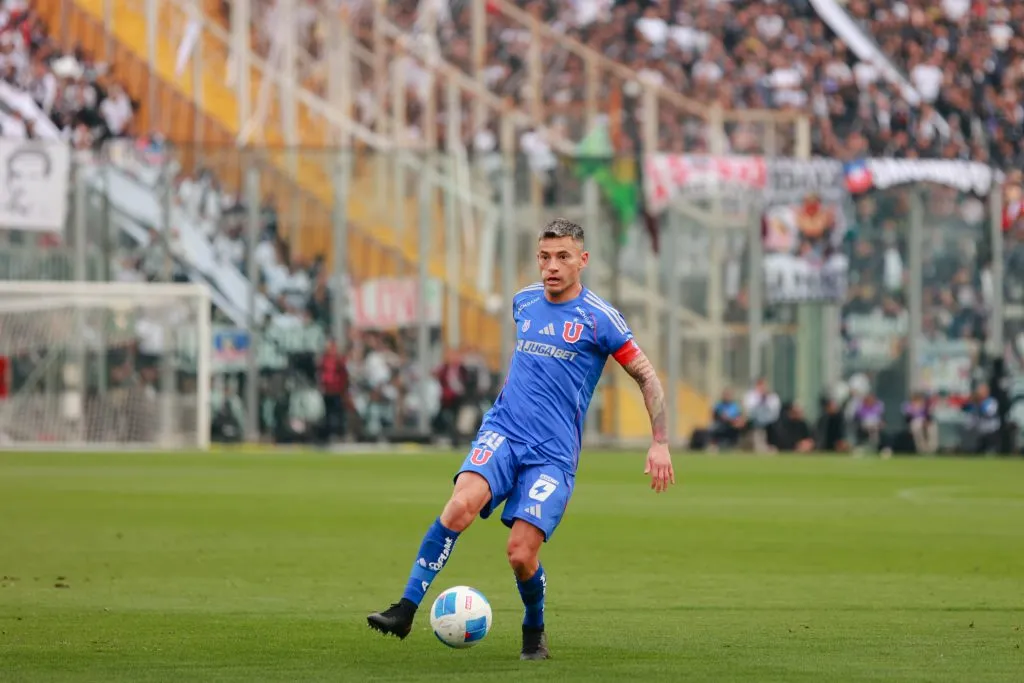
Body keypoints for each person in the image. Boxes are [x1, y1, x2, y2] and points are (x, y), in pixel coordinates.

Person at [366, 219, 675, 659]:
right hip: (504, 432)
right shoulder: (524, 301)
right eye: (545, 257)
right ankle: (405, 609)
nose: (551, 266)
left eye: (563, 257)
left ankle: (534, 629)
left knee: (520, 554)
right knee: (459, 506)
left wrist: (659, 441)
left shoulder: (600, 319)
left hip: (552, 455)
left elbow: (646, 375)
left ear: (582, 261)